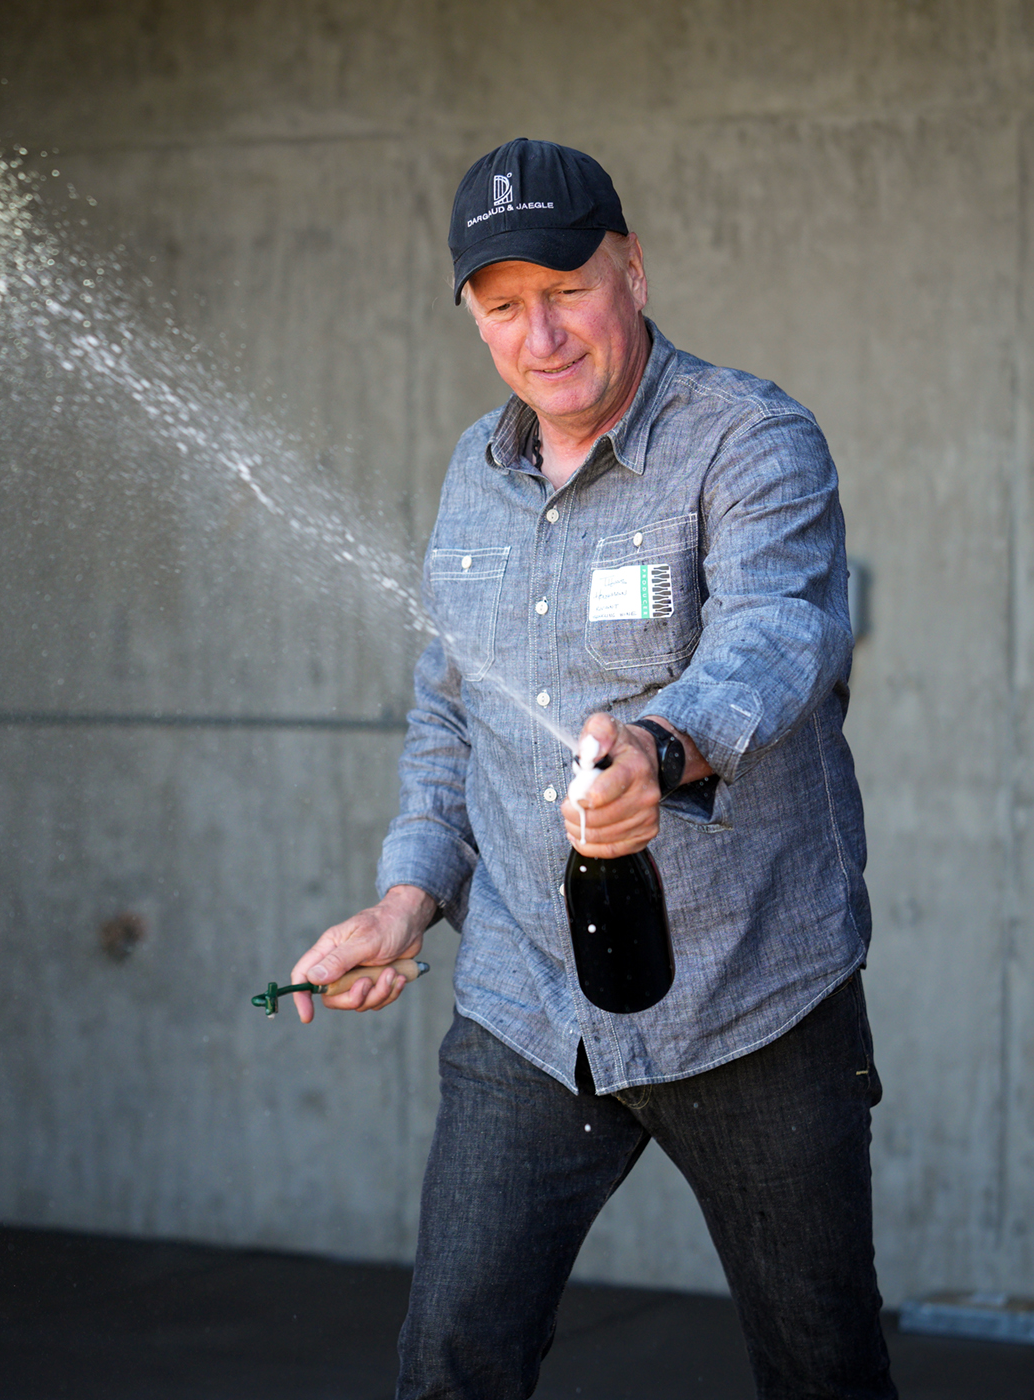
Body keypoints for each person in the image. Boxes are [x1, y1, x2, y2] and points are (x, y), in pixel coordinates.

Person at [287, 139, 896, 1400]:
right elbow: (450, 719)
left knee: (822, 1372)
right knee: (452, 1359)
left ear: (631, 266)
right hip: (528, 998)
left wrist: (660, 752)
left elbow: (778, 634)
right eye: (501, 305)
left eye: (565, 286)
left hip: (752, 996)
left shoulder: (749, 439)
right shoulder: (476, 474)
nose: (540, 333)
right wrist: (406, 900)